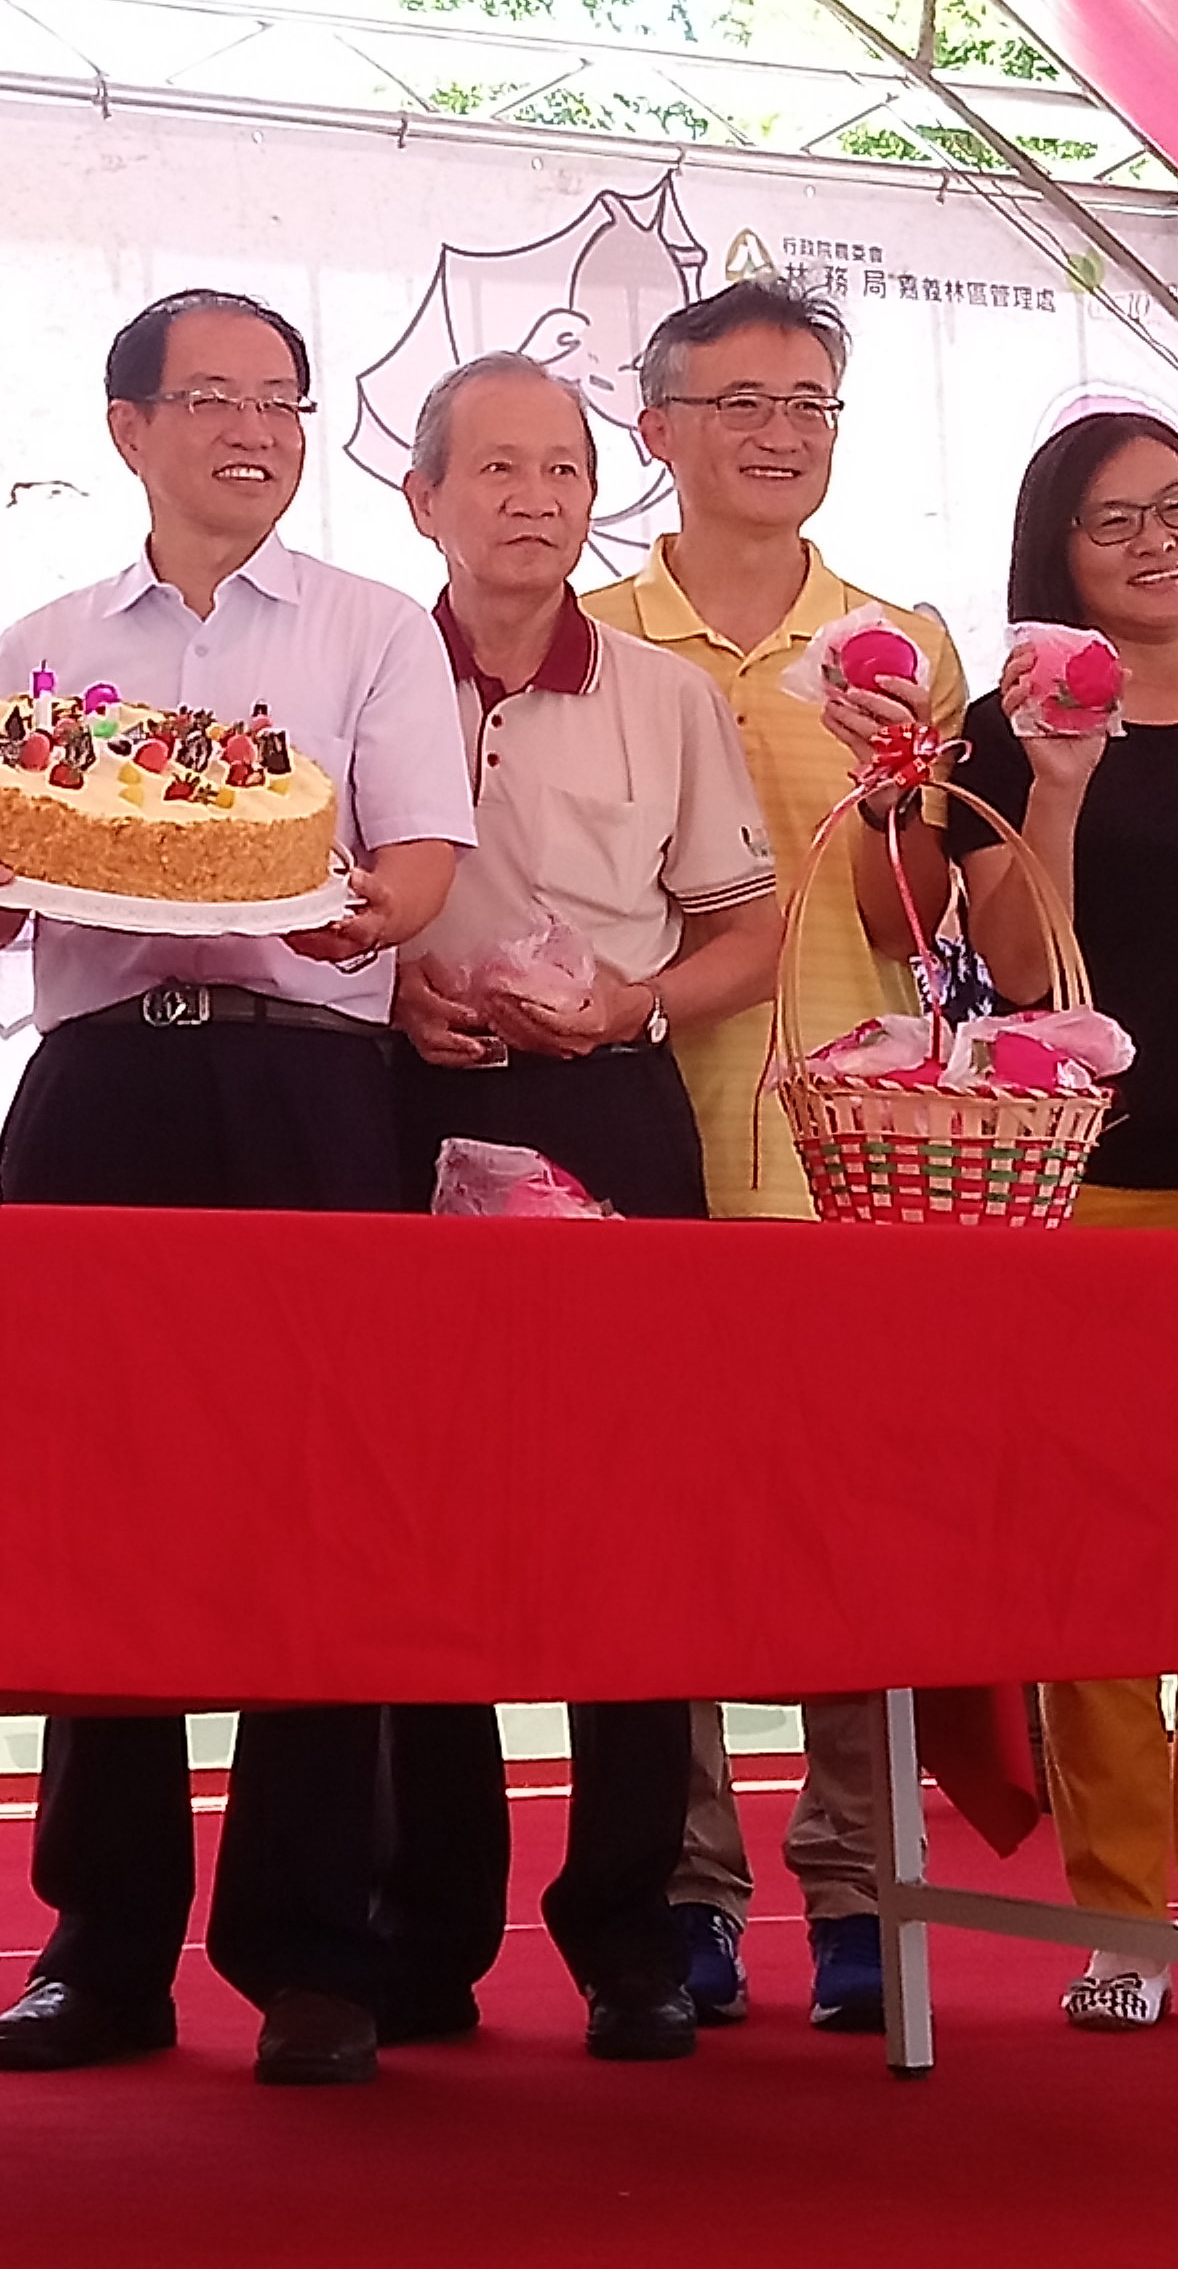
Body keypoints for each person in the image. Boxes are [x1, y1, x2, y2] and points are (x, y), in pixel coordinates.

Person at [0, 287, 470, 2092]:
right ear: (130, 427)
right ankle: (101, 1948)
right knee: (95, 1505)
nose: (254, 432)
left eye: (282, 401)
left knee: (318, 1507)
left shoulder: (373, 626)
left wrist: (372, 914)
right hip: (100, 1088)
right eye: (214, 400)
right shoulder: (42, 644)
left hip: (307, 1083)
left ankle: (310, 1948)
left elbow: (418, 861)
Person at [869, 407, 1178, 2036]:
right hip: (1087, 1182)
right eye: (1116, 521)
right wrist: (1062, 784)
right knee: (1099, 1551)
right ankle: (1119, 1921)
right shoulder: (1009, 728)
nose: (1160, 542)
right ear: (1057, 553)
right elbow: (1024, 975)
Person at [387, 352, 781, 2065]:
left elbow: (749, 931)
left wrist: (634, 1008)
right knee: (418, 1524)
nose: (534, 499)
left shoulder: (662, 697)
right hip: (403, 1102)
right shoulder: (362, 669)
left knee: (631, 1518)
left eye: (562, 469)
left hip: (613, 1108)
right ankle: (424, 1925)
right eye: (497, 469)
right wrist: (391, 993)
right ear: (424, 497)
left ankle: (631, 1929)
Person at [584, 279, 962, 2031]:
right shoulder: (587, 632)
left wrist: (895, 795)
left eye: (810, 403)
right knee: (653, 1534)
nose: (780, 433)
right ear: (655, 428)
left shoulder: (897, 642)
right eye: (741, 402)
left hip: (850, 1148)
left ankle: (864, 1884)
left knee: (851, 1535)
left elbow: (917, 919)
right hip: (634, 1132)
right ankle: (681, 1887)